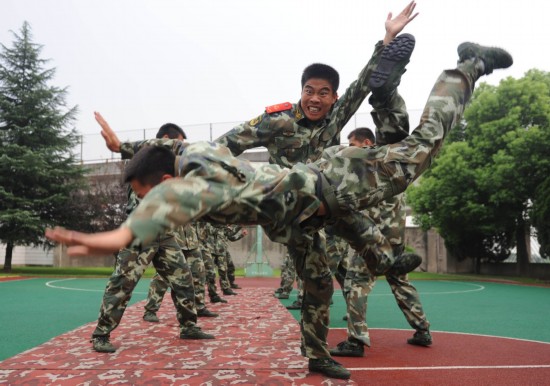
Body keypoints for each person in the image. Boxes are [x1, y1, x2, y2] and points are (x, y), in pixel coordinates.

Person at [46, 41, 513, 379]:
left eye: (150, 194)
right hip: (304, 212)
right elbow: (171, 144)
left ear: (166, 184)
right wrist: (123, 147)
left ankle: (467, 66)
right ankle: (320, 350)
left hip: (332, 182)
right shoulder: (194, 153)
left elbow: (146, 215)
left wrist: (95, 240)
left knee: (422, 147)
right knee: (316, 280)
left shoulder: (187, 187)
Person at [212, 2, 418, 378]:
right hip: (290, 210)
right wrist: (213, 170)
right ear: (300, 91)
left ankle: (380, 261)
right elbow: (229, 142)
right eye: (310, 91)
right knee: (321, 279)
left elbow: (360, 86)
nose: (316, 99)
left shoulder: (336, 115)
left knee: (347, 217)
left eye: (324, 93)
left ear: (333, 99)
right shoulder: (277, 121)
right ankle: (325, 346)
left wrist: (387, 40)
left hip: (326, 200)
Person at [86, 121, 214, 354]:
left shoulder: (170, 167)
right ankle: (101, 334)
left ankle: (189, 326)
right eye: (178, 142)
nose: (180, 147)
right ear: (166, 139)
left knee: (184, 279)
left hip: (165, 234)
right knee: (122, 283)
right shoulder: (145, 162)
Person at [328, 126, 431, 358]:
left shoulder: (367, 167)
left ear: (366, 143)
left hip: (372, 241)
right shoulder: (392, 164)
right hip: (395, 241)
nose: (350, 149)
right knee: (401, 284)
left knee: (355, 283)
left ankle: (356, 340)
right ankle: (422, 329)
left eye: (353, 144)